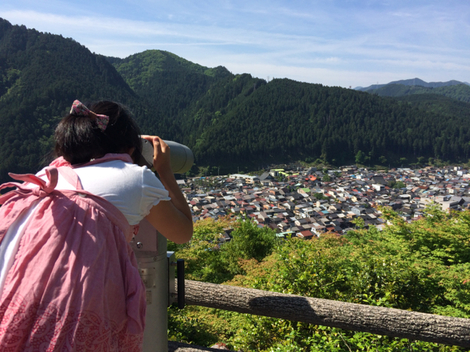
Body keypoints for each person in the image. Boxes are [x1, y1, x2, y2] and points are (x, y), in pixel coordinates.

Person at [0, 100, 193, 351]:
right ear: (130, 146)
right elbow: (183, 232)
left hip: (11, 296)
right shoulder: (136, 178)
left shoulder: (50, 173)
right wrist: (164, 171)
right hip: (65, 320)